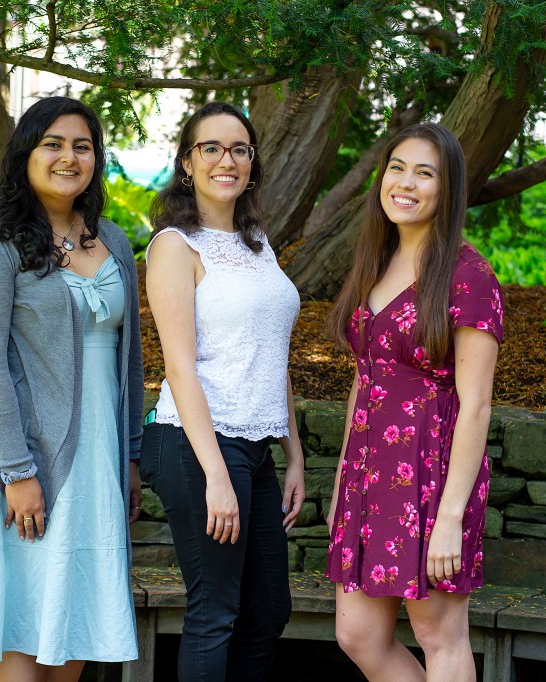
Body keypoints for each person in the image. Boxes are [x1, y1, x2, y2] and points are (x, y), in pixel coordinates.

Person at [0, 96, 144, 682]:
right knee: (19, 626)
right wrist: (18, 471)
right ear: (26, 154)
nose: (70, 157)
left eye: (83, 146)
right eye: (53, 144)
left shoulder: (113, 241)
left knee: (77, 621)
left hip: (99, 460)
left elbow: (130, 358)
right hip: (23, 459)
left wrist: (132, 455)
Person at [325, 122, 504, 681]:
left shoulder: (468, 276)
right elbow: (365, 377)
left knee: (438, 635)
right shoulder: (375, 263)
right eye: (397, 167)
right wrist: (340, 488)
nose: (405, 182)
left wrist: (449, 519)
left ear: (446, 190)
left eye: (424, 173)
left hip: (432, 479)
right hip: (369, 475)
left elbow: (475, 405)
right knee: (357, 635)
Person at [140, 101, 306, 682]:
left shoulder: (258, 242)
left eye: (238, 149)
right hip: (194, 445)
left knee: (269, 610)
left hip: (254, 448)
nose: (225, 160)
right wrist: (214, 474)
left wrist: (293, 455)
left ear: (253, 163)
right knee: (215, 612)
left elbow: (273, 356)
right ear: (187, 163)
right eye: (209, 148)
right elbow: (180, 368)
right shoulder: (173, 246)